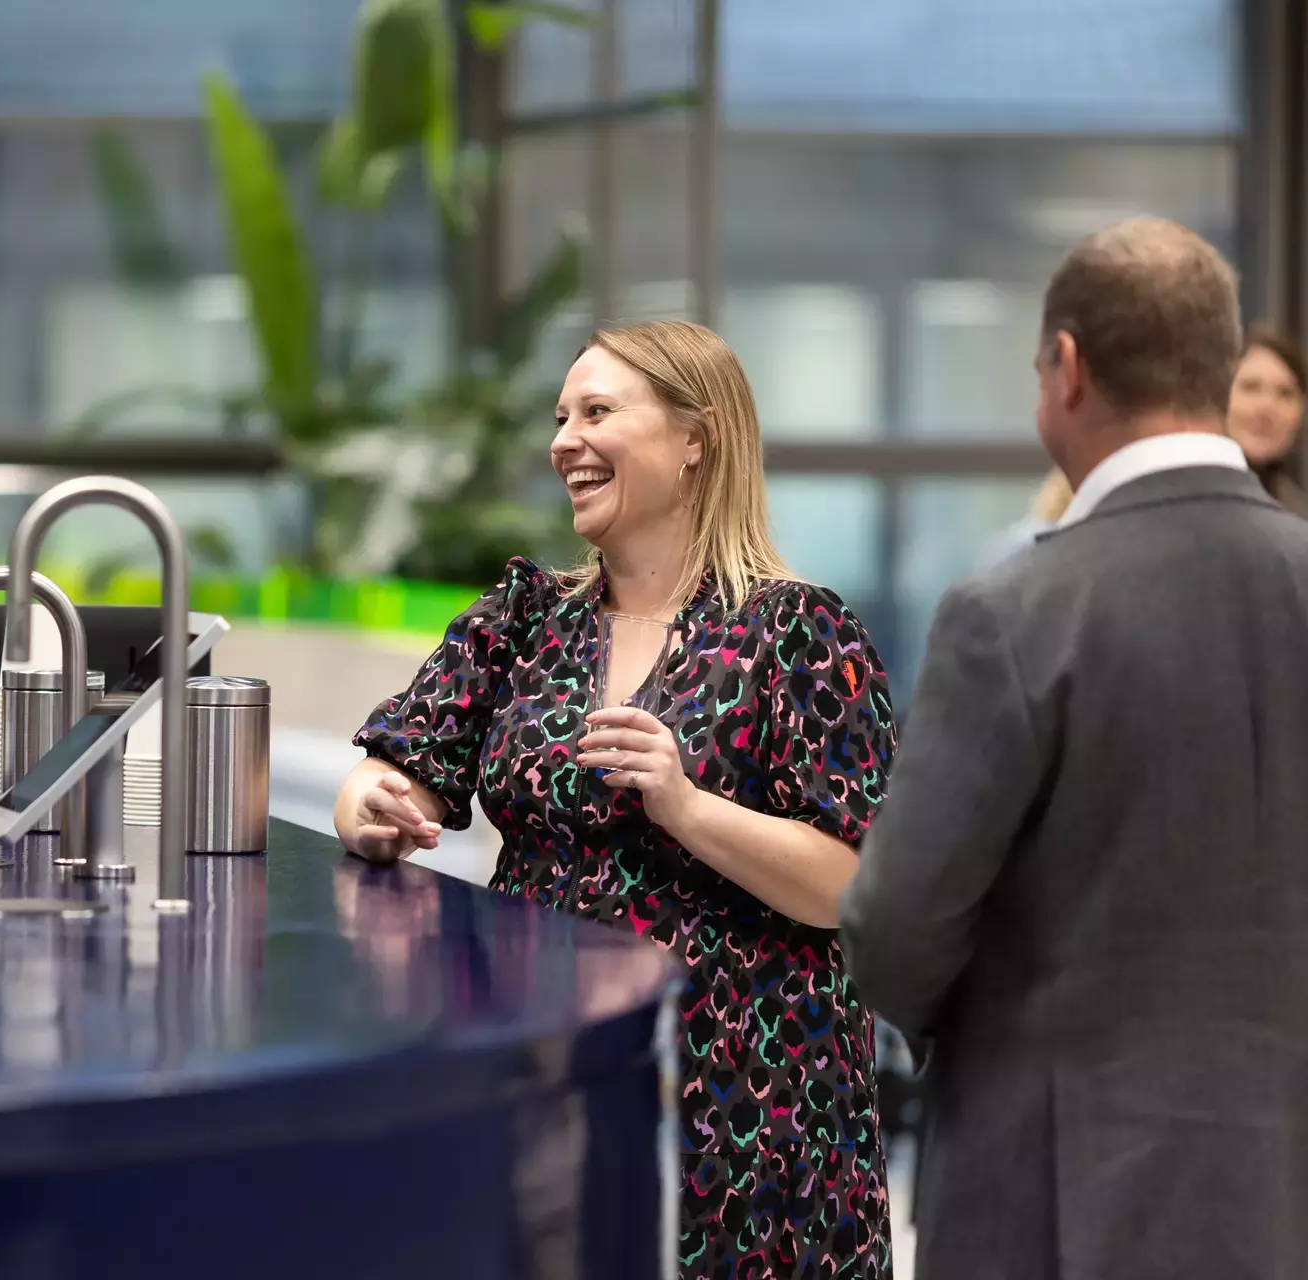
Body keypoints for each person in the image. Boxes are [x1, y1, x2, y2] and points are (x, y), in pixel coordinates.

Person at [338, 320, 898, 1276]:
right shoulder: (526, 616)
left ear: (695, 439)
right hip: (553, 1074)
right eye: (561, 417)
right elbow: (389, 767)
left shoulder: (800, 632)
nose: (565, 441)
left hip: (750, 1104)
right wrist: (372, 810)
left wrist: (686, 805)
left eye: (596, 412)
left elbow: (854, 887)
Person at [840, 217, 1308, 1278]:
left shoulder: (1013, 612)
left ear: (1067, 367)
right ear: (1219, 364)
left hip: (1059, 1199)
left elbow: (896, 926)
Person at [1227, 323, 1307, 514]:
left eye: (1285, 393)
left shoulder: (1299, 515)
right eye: (1251, 387)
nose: (1267, 408)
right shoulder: (1180, 495)